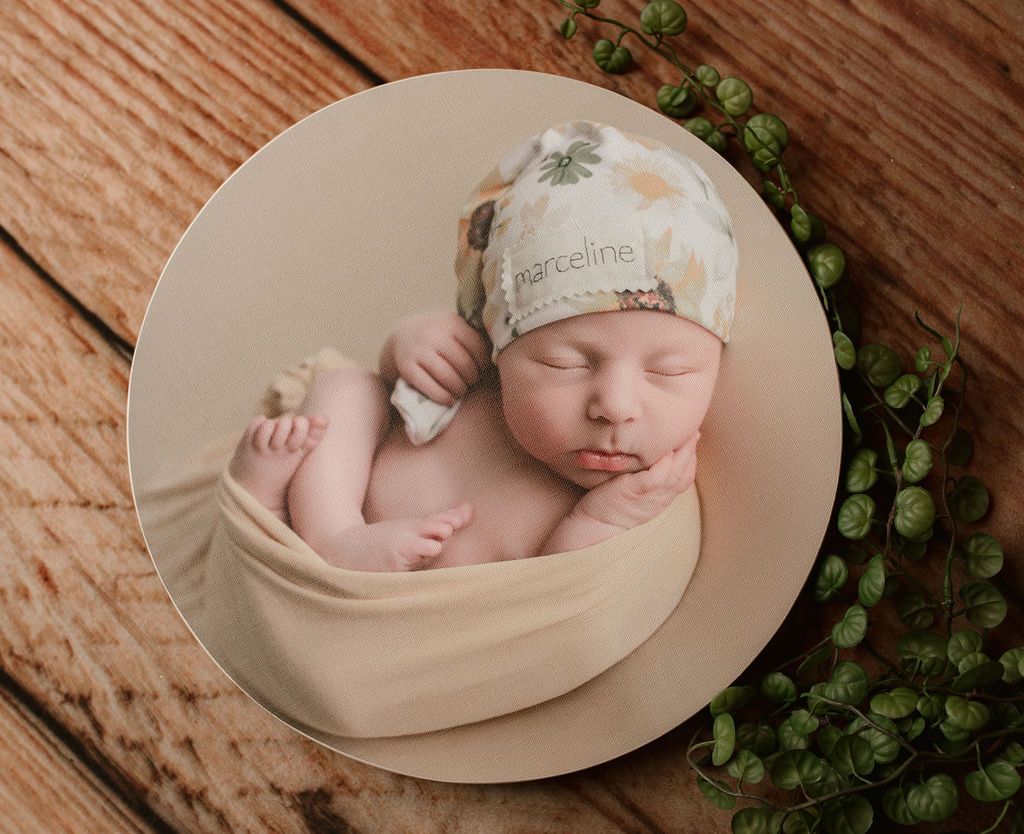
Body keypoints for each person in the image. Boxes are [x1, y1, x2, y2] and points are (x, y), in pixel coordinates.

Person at [227, 119, 737, 572]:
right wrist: (409, 347)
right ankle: (318, 532)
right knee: (346, 386)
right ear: (502, 342)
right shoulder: (485, 375)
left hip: (418, 620)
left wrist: (603, 518)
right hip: (341, 522)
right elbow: (400, 394)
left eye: (668, 370)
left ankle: (275, 515)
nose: (616, 406)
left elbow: (551, 605)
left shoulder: (635, 495)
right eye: (566, 362)